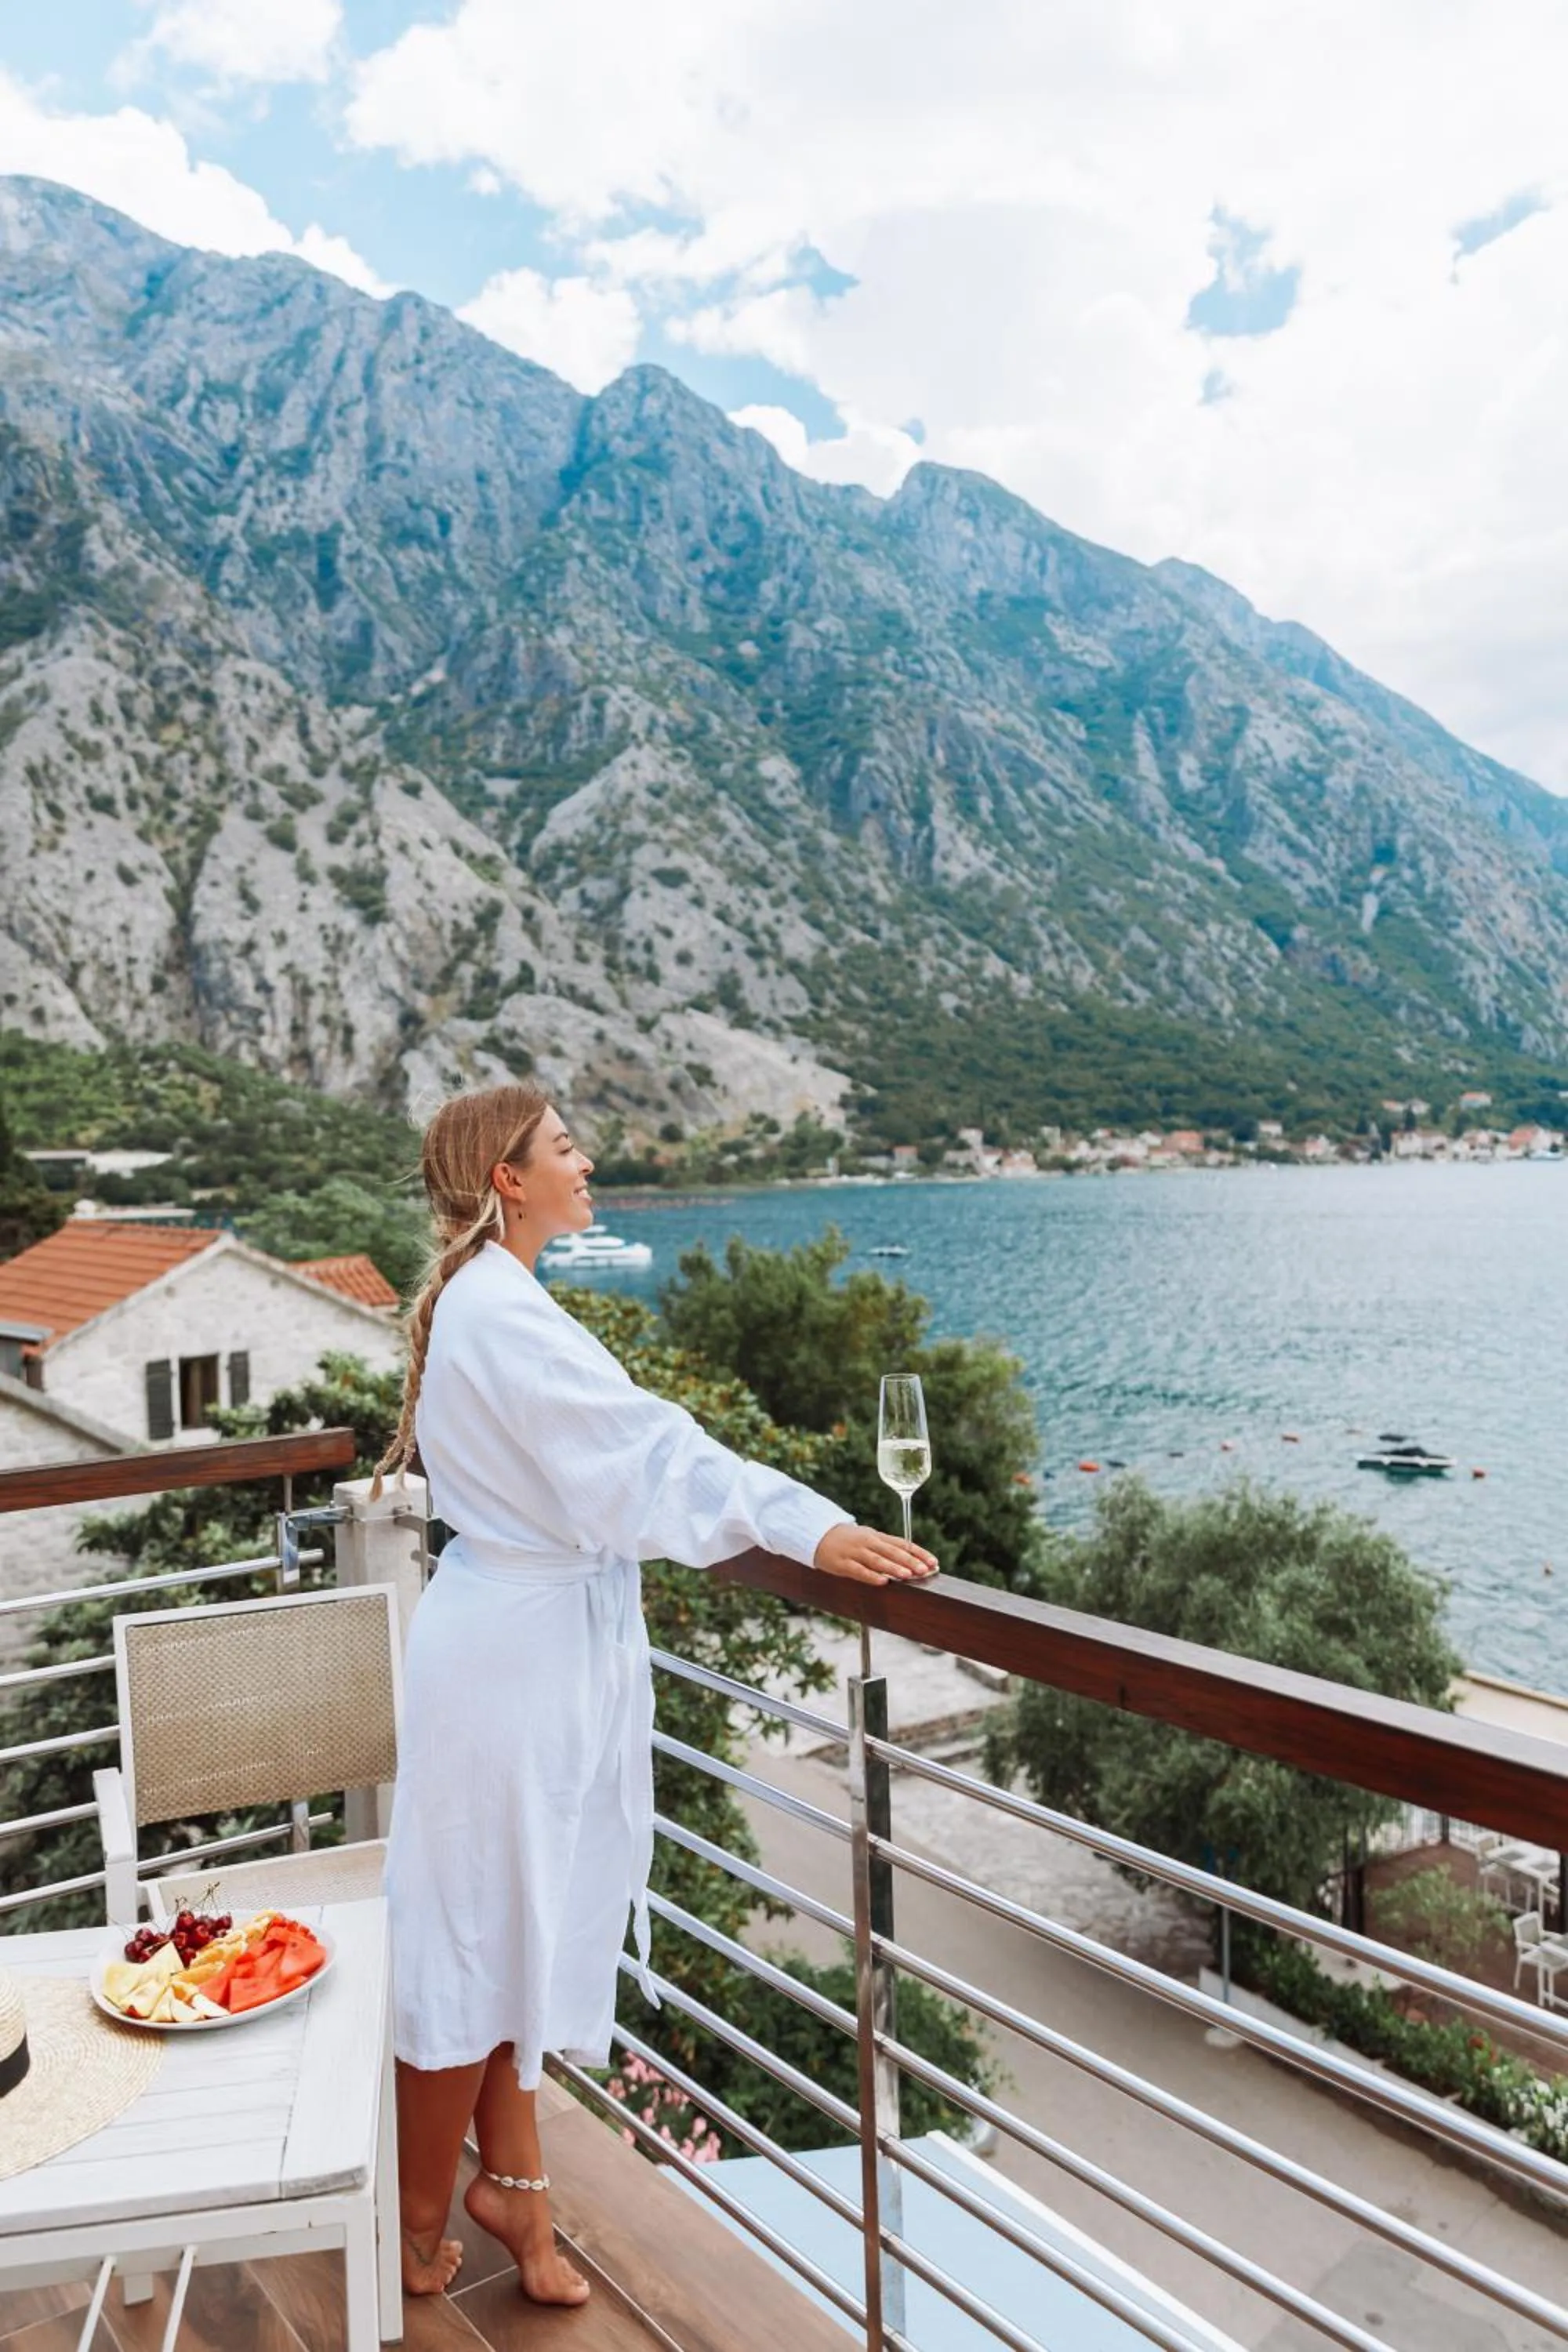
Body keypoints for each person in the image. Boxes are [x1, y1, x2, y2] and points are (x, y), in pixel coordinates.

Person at [373, 1082, 938, 2305]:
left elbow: (617, 1456)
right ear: (506, 1180)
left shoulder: (496, 1300)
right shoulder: (497, 1312)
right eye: (564, 1148)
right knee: (470, 1933)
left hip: (530, 1646)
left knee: (512, 1924)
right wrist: (807, 1526)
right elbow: (643, 1449)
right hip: (511, 1663)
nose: (589, 1163)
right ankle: (419, 2216)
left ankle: (510, 2197)